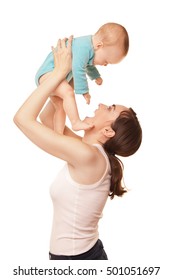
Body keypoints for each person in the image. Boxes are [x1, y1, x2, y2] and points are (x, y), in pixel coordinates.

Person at [14, 36, 142, 260]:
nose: (102, 104)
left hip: (77, 260)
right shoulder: (90, 152)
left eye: (110, 108)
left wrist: (57, 74)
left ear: (108, 132)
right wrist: (66, 77)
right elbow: (47, 118)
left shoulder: (88, 156)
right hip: (79, 258)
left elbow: (22, 119)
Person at [35, 22, 129, 133]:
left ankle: (58, 134)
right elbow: (79, 69)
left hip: (53, 76)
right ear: (99, 46)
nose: (105, 65)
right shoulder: (83, 47)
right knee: (69, 92)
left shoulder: (89, 48)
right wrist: (84, 91)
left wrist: (96, 76)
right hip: (47, 73)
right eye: (106, 61)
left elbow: (88, 65)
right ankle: (75, 122)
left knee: (61, 107)